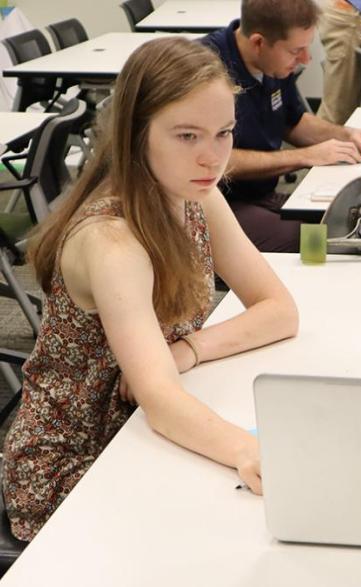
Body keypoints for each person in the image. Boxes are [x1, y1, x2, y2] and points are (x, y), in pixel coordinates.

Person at [1, 37, 300, 541]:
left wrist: (190, 349)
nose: (212, 157)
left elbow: (280, 310)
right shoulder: (112, 241)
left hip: (139, 430)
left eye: (223, 133)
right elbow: (158, 398)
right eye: (187, 136)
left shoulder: (192, 194)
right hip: (79, 459)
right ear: (137, 134)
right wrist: (247, 449)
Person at [202, 0, 361, 253]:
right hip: (211, 203)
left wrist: (348, 136)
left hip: (259, 194)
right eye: (295, 51)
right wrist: (305, 157)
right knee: (314, 237)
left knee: (351, 217)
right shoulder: (206, 72)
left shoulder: (271, 64)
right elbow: (214, 160)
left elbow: (294, 121)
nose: (306, 59)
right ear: (258, 42)